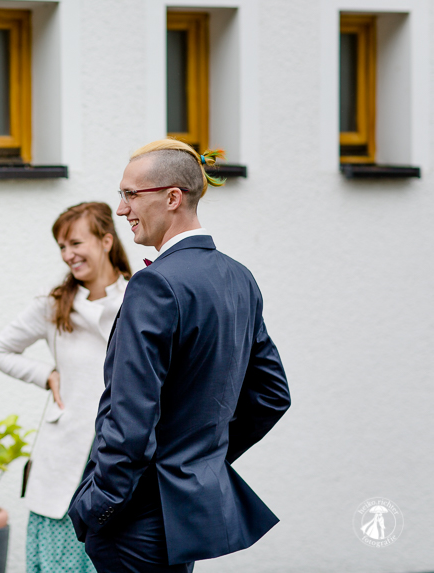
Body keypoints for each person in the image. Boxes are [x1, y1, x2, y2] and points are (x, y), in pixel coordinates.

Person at [68, 140, 291, 572]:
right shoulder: (238, 277)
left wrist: (98, 508)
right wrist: (197, 463)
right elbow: (271, 396)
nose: (120, 208)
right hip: (182, 514)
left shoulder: (154, 285)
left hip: (135, 519)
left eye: (131, 194)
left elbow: (130, 420)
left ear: (173, 198)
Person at [0, 202, 131, 573]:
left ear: (106, 241)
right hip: (65, 455)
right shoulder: (55, 304)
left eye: (76, 244)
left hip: (119, 451)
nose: (68, 255)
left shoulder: (140, 298)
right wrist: (47, 376)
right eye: (62, 247)